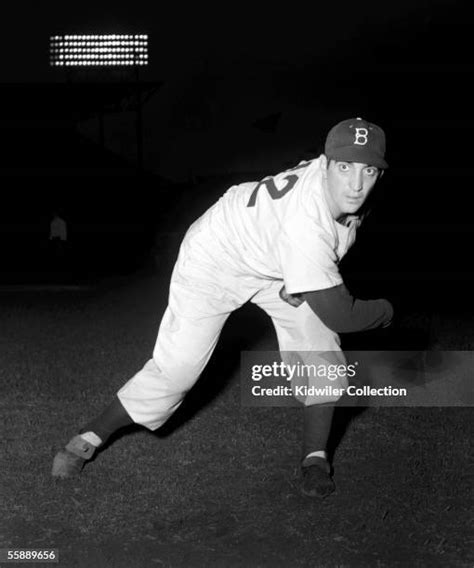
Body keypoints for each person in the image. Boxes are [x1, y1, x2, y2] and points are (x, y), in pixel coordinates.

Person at [52, 117, 393, 498]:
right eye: (345, 167)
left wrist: (299, 279)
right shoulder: (307, 222)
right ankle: (85, 439)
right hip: (214, 256)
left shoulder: (333, 189)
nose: (356, 183)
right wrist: (387, 311)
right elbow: (343, 315)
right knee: (177, 372)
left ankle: (315, 458)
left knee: (320, 352)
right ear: (325, 164)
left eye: (368, 170)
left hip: (271, 257)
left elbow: (324, 238)